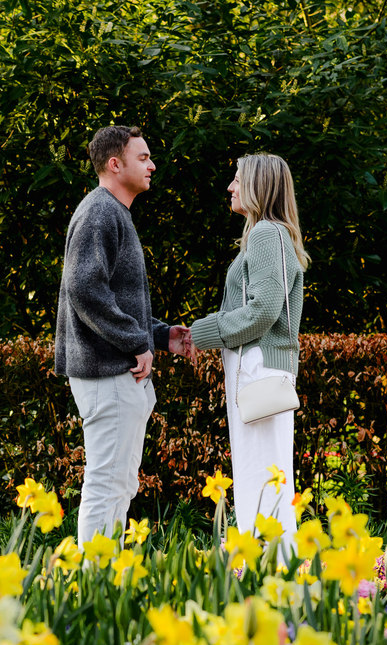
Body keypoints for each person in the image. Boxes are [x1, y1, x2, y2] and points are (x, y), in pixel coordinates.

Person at [54, 125, 195, 545]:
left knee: (120, 485)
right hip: (108, 373)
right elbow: (84, 288)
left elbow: (112, 299)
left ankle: (104, 580)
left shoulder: (113, 212)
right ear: (115, 164)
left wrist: (159, 335)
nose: (152, 165)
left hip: (116, 372)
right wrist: (136, 343)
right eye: (143, 157)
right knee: (107, 485)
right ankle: (91, 587)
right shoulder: (100, 211)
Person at [188, 153, 308, 556]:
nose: (230, 186)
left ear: (257, 185)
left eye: (237, 178)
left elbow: (264, 309)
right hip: (262, 368)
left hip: (258, 368)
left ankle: (267, 568)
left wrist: (201, 332)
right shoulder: (271, 234)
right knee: (267, 475)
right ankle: (272, 567)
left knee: (262, 476)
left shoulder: (265, 235)